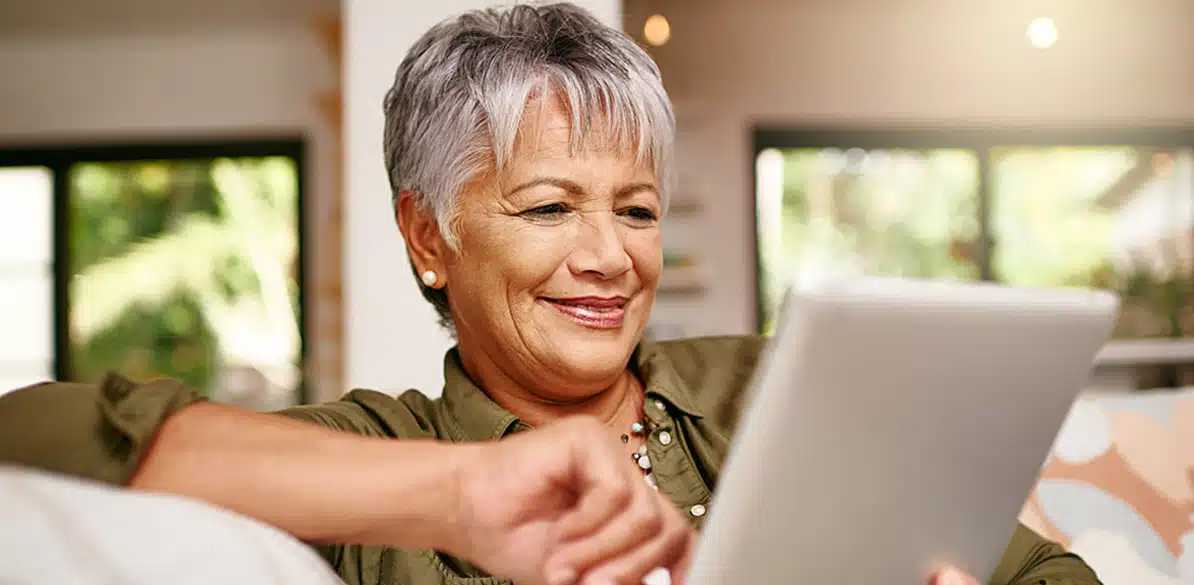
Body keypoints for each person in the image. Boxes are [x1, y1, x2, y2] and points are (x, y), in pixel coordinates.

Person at [0, 4, 1101, 585]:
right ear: (428, 235)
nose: (610, 258)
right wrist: (459, 493)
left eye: (635, 208)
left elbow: (1046, 575)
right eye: (545, 209)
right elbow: (30, 442)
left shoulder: (770, 383)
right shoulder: (375, 458)